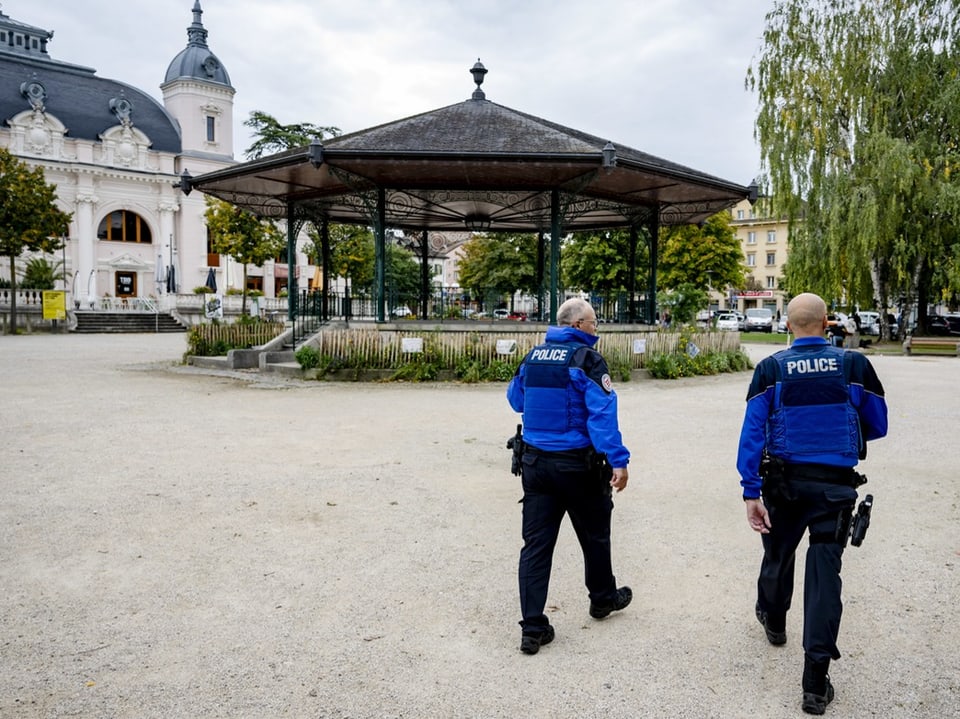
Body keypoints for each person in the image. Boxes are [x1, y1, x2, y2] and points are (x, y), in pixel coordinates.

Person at [736, 292, 888, 715]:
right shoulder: (853, 365)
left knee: (778, 553)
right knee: (824, 577)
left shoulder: (770, 369)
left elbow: (751, 432)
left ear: (788, 326)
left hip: (782, 485)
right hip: (835, 489)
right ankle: (815, 684)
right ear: (827, 324)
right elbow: (878, 424)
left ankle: (775, 621)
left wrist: (750, 491)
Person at [506, 297, 631, 655]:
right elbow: (602, 416)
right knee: (595, 535)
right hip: (578, 466)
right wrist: (618, 461)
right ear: (577, 326)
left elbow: (516, 400)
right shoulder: (587, 360)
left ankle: (532, 628)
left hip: (536, 466)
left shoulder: (533, 357)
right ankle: (602, 599)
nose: (596, 328)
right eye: (593, 323)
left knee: (536, 546)